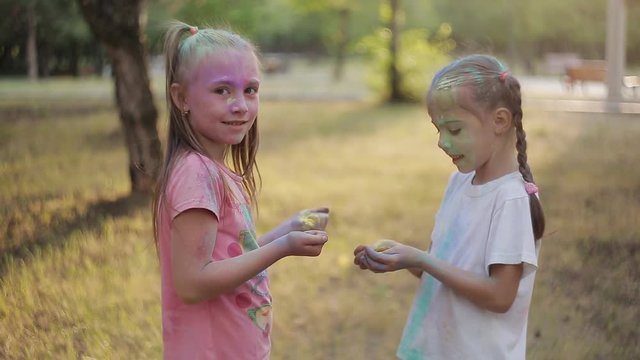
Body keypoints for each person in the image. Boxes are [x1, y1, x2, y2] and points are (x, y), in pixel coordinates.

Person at [152, 22, 330, 359]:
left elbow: (224, 261)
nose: (241, 105)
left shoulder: (213, 171)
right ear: (181, 97)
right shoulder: (197, 174)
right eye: (222, 91)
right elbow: (192, 283)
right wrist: (282, 247)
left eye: (250, 90)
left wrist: (286, 230)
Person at [353, 54, 545, 359]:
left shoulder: (511, 200)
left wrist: (424, 260)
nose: (442, 142)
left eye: (454, 130)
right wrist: (403, 257)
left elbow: (500, 296)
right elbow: (440, 264)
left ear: (500, 121)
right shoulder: (458, 184)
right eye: (437, 129)